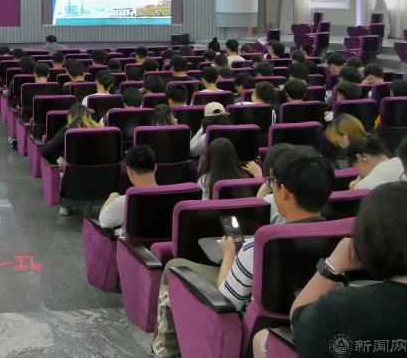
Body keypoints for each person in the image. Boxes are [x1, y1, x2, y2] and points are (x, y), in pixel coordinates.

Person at [152, 147, 333, 357]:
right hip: (303, 326)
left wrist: (229, 254)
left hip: (248, 330)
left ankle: (165, 351)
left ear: (283, 191)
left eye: (273, 182)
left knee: (174, 267)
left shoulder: (259, 247)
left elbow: (225, 301)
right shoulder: (343, 243)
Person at [258, 182, 407, 358]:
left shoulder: (343, 308)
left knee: (261, 338)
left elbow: (299, 321)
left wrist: (332, 264)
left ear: (368, 239)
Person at [40, 105, 102, 216]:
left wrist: (58, 157)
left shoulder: (67, 131)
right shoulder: (102, 130)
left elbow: (45, 151)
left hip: (74, 182)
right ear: (88, 116)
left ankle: (66, 204)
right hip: (101, 182)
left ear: (70, 117)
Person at [98, 145, 157, 231]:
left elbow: (103, 221)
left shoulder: (126, 201)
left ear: (129, 171)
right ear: (155, 167)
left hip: (134, 240)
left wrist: (112, 196)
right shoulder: (173, 195)